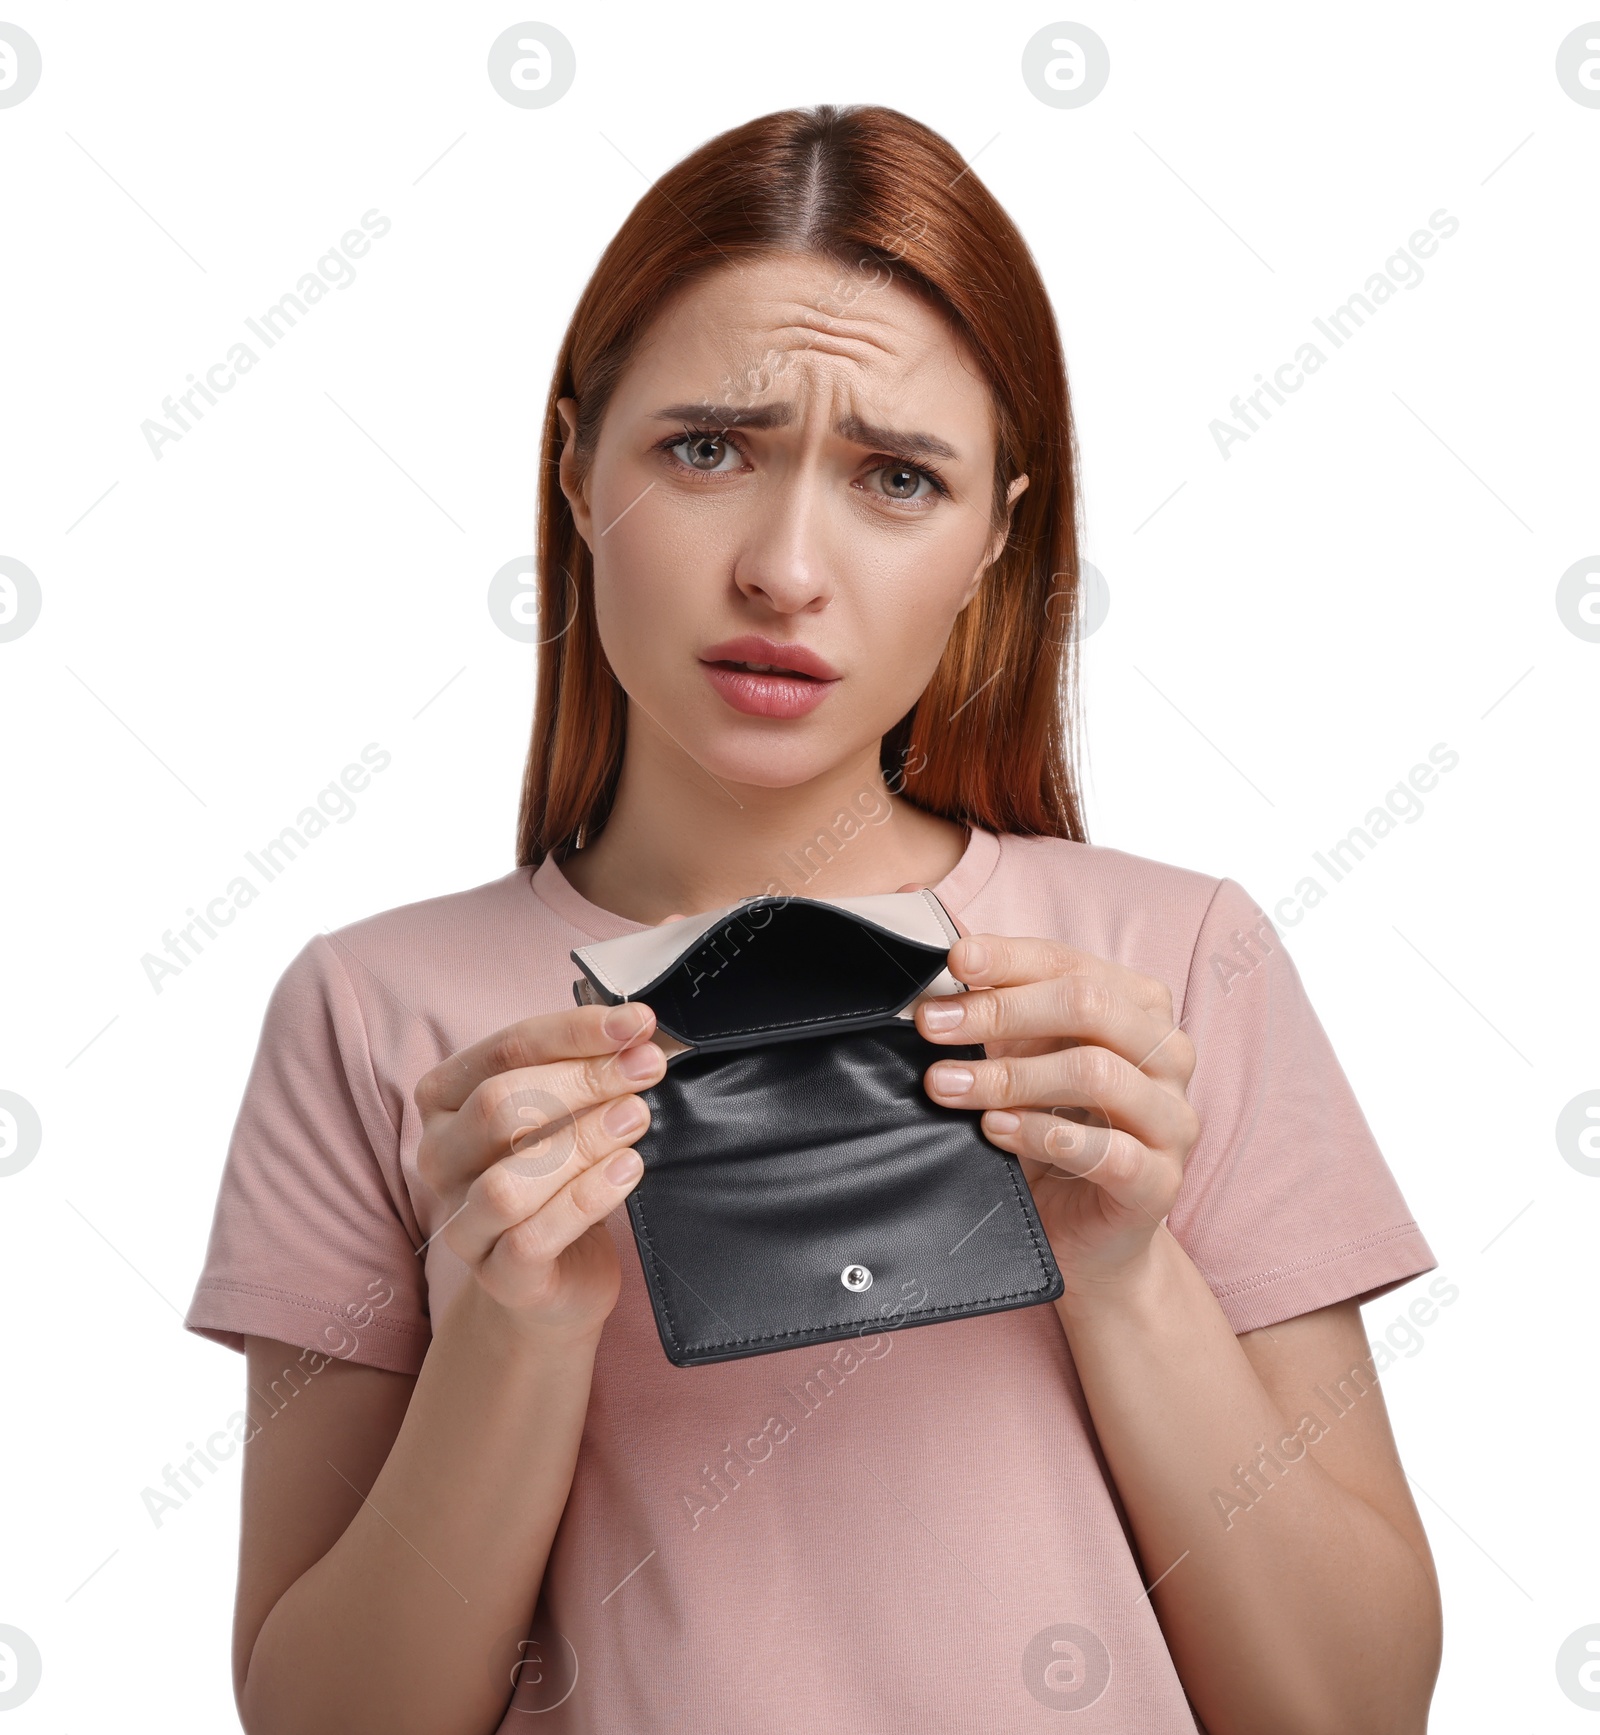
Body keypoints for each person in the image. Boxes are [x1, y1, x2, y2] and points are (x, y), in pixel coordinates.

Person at [185, 104, 1443, 1735]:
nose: (785, 569)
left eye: (897, 479)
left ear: (996, 530)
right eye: (706, 448)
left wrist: (1125, 1270)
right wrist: (513, 1330)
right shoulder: (373, 1011)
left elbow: (1353, 1713)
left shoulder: (1177, 969)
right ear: (577, 466)